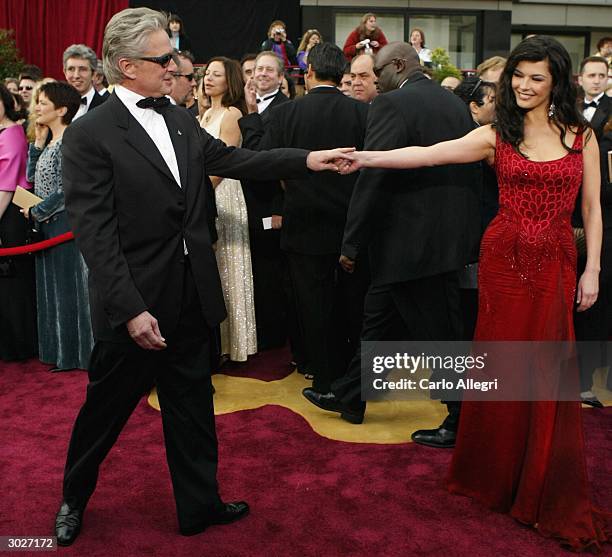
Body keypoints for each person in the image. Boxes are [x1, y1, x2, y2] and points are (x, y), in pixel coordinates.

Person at [54, 7, 347, 546]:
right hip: (135, 305)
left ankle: (199, 505)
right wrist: (132, 308)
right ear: (125, 65)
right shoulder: (89, 134)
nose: (175, 65)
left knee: (192, 410)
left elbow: (237, 160)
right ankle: (73, 497)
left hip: (191, 295)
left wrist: (309, 160)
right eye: (162, 58)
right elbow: (96, 237)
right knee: (105, 413)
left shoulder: (182, 119)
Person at [340, 36, 609, 551]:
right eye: (518, 76)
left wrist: (592, 269)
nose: (524, 86)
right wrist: (366, 159)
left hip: (555, 260)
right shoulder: (495, 135)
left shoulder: (582, 136)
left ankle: (538, 472)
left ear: (557, 82)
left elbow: (592, 210)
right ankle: (496, 473)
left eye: (537, 78)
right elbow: (429, 155)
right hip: (503, 261)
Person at [303, 42, 480, 436]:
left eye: (378, 72)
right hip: (443, 240)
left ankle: (460, 419)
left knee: (440, 334)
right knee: (377, 320)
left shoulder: (390, 105)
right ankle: (351, 394)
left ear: (399, 65)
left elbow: (373, 176)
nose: (376, 81)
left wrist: (351, 244)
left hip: (410, 244)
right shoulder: (453, 103)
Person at [243, 42, 369, 395]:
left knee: (313, 307)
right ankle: (352, 379)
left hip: (304, 224)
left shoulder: (286, 115)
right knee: (352, 305)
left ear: (308, 72)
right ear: (342, 75)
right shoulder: (363, 114)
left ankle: (325, 379)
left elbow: (263, 165)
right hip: (350, 227)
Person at [25, 81, 94, 372]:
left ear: (62, 109)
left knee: (70, 289)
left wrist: (38, 210)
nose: (36, 107)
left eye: (43, 102)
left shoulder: (70, 142)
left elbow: (69, 189)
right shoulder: (51, 141)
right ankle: (60, 352)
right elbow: (33, 177)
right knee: (51, 289)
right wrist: (38, 144)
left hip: (66, 225)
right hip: (47, 225)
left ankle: (79, 355)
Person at [200, 56, 256, 363]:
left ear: (229, 80)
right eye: (207, 73)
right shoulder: (207, 112)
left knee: (228, 268)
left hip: (223, 192)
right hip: (206, 193)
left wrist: (197, 192)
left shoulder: (233, 114)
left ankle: (233, 343)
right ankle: (216, 343)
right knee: (213, 271)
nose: (208, 78)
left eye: (216, 74)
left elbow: (225, 162)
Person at [0, 83, 37, 361]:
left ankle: (18, 345)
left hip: (10, 212)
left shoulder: (11, 134)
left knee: (12, 281)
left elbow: (8, 185)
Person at [62, 44, 108, 120]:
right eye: (71, 69)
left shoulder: (106, 106)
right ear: (65, 72)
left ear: (93, 74)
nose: (76, 75)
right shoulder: (56, 105)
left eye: (82, 69)